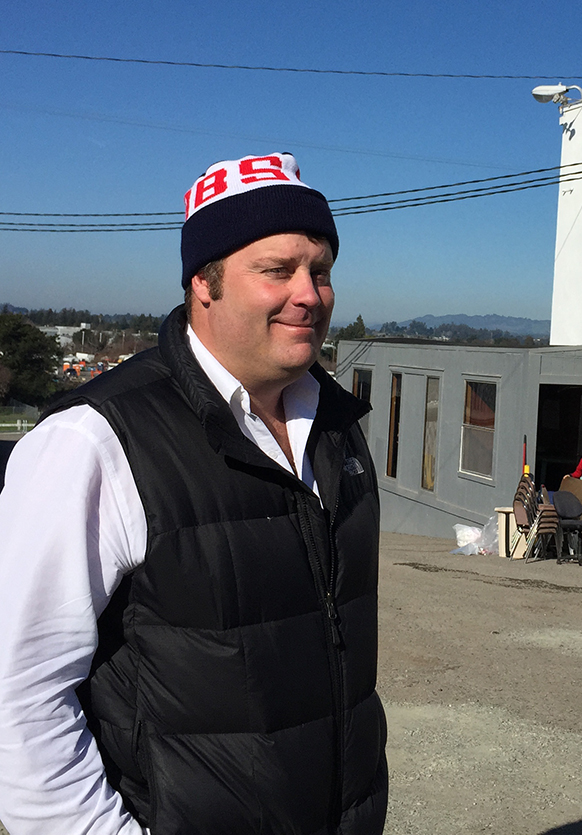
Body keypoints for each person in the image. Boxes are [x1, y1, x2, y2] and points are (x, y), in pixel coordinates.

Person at [0, 153, 387, 834]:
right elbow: (19, 695)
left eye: (320, 271)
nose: (310, 293)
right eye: (278, 270)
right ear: (202, 283)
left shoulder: (337, 428)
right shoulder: (94, 442)